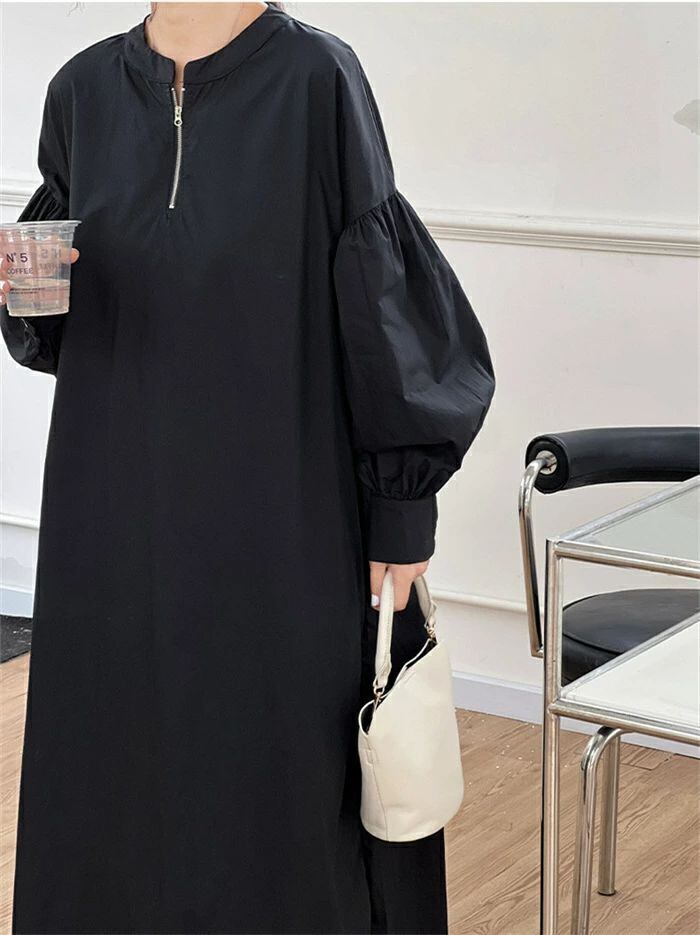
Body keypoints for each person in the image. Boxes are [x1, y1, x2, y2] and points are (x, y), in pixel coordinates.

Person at [0, 3, 495, 933]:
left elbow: (377, 300)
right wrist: (25, 288)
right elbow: (53, 325)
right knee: (112, 763)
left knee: (281, 773)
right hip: (109, 510)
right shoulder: (81, 91)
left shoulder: (316, 80)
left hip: (280, 505)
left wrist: (403, 507)